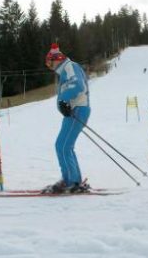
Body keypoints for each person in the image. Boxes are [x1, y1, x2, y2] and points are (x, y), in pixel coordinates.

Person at [43, 43, 91, 194]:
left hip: (78, 110)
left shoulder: (69, 66)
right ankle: (72, 179)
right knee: (65, 146)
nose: (49, 66)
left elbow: (78, 85)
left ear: (55, 59)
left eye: (49, 62)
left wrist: (64, 100)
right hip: (74, 111)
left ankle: (71, 181)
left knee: (62, 146)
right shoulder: (65, 70)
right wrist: (64, 104)